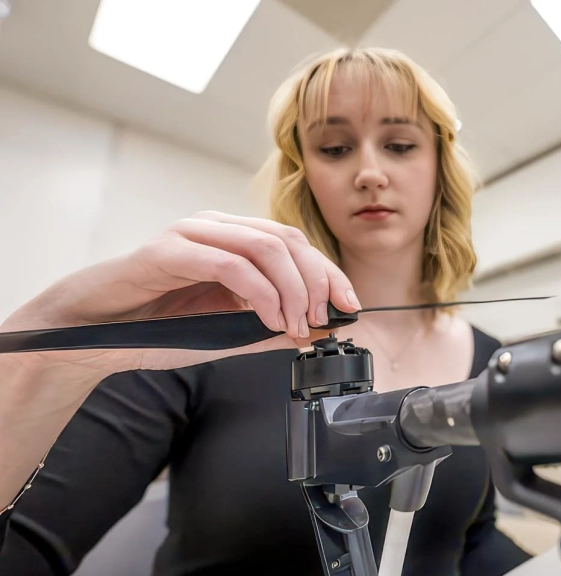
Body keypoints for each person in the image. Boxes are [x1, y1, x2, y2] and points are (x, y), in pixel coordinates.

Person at [0, 46, 533, 575]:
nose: (370, 172)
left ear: (439, 165)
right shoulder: (203, 339)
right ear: (305, 176)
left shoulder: (490, 359)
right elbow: (24, 548)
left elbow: (471, 538)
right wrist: (35, 361)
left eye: (398, 144)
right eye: (335, 148)